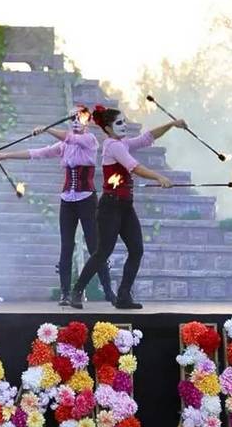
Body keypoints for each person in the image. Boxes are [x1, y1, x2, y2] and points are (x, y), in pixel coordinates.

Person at [0, 107, 116, 305]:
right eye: (73, 118)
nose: (76, 121)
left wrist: (46, 129)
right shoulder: (64, 145)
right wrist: (6, 155)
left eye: (80, 118)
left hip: (87, 200)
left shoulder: (90, 140)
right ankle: (65, 293)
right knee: (66, 246)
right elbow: (37, 153)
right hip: (67, 201)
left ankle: (109, 292)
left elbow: (72, 138)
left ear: (86, 121)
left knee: (96, 246)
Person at [68, 105, 184, 310]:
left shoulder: (122, 143)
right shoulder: (113, 146)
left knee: (136, 249)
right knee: (103, 252)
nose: (124, 126)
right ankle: (77, 291)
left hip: (125, 206)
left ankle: (123, 295)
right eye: (119, 123)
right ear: (108, 129)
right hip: (110, 207)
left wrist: (171, 125)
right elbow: (135, 167)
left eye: (124, 122)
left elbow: (146, 138)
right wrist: (159, 176)